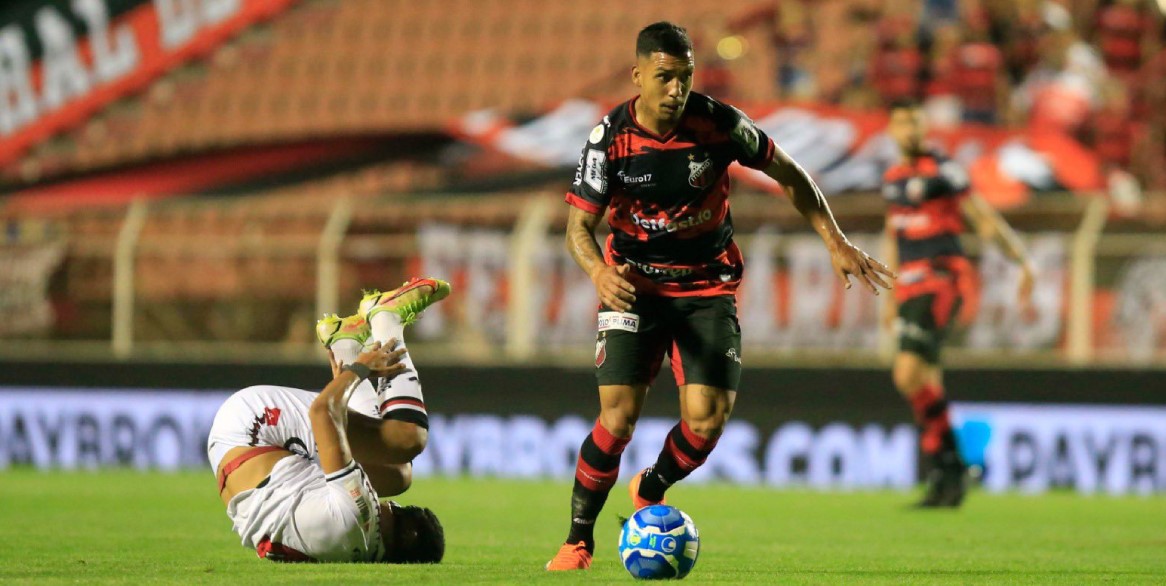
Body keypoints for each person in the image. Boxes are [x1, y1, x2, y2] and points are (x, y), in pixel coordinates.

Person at [547, 22, 894, 571]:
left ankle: (653, 483)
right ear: (638, 76)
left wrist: (836, 240)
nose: (675, 89)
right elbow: (576, 229)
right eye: (664, 77)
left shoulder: (720, 124)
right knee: (617, 418)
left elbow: (789, 171)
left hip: (707, 286)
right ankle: (577, 540)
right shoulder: (608, 139)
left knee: (706, 422)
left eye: (684, 77)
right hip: (634, 288)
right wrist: (596, 272)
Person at [207, 278, 449, 562]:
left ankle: (387, 318)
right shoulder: (353, 550)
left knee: (407, 439)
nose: (385, 501)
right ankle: (345, 342)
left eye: (393, 506)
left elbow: (323, 412)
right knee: (396, 475)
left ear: (406, 530)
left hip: (253, 427)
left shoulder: (358, 515)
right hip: (240, 464)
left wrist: (360, 370)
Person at [880, 101, 1034, 507]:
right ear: (892, 131)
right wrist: (890, 294)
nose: (908, 129)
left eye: (914, 121)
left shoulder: (944, 172)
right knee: (925, 381)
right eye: (901, 123)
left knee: (907, 373)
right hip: (911, 285)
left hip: (941, 277)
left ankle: (951, 466)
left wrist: (1020, 259)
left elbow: (980, 217)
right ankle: (946, 474)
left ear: (924, 126)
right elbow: (893, 234)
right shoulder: (894, 178)